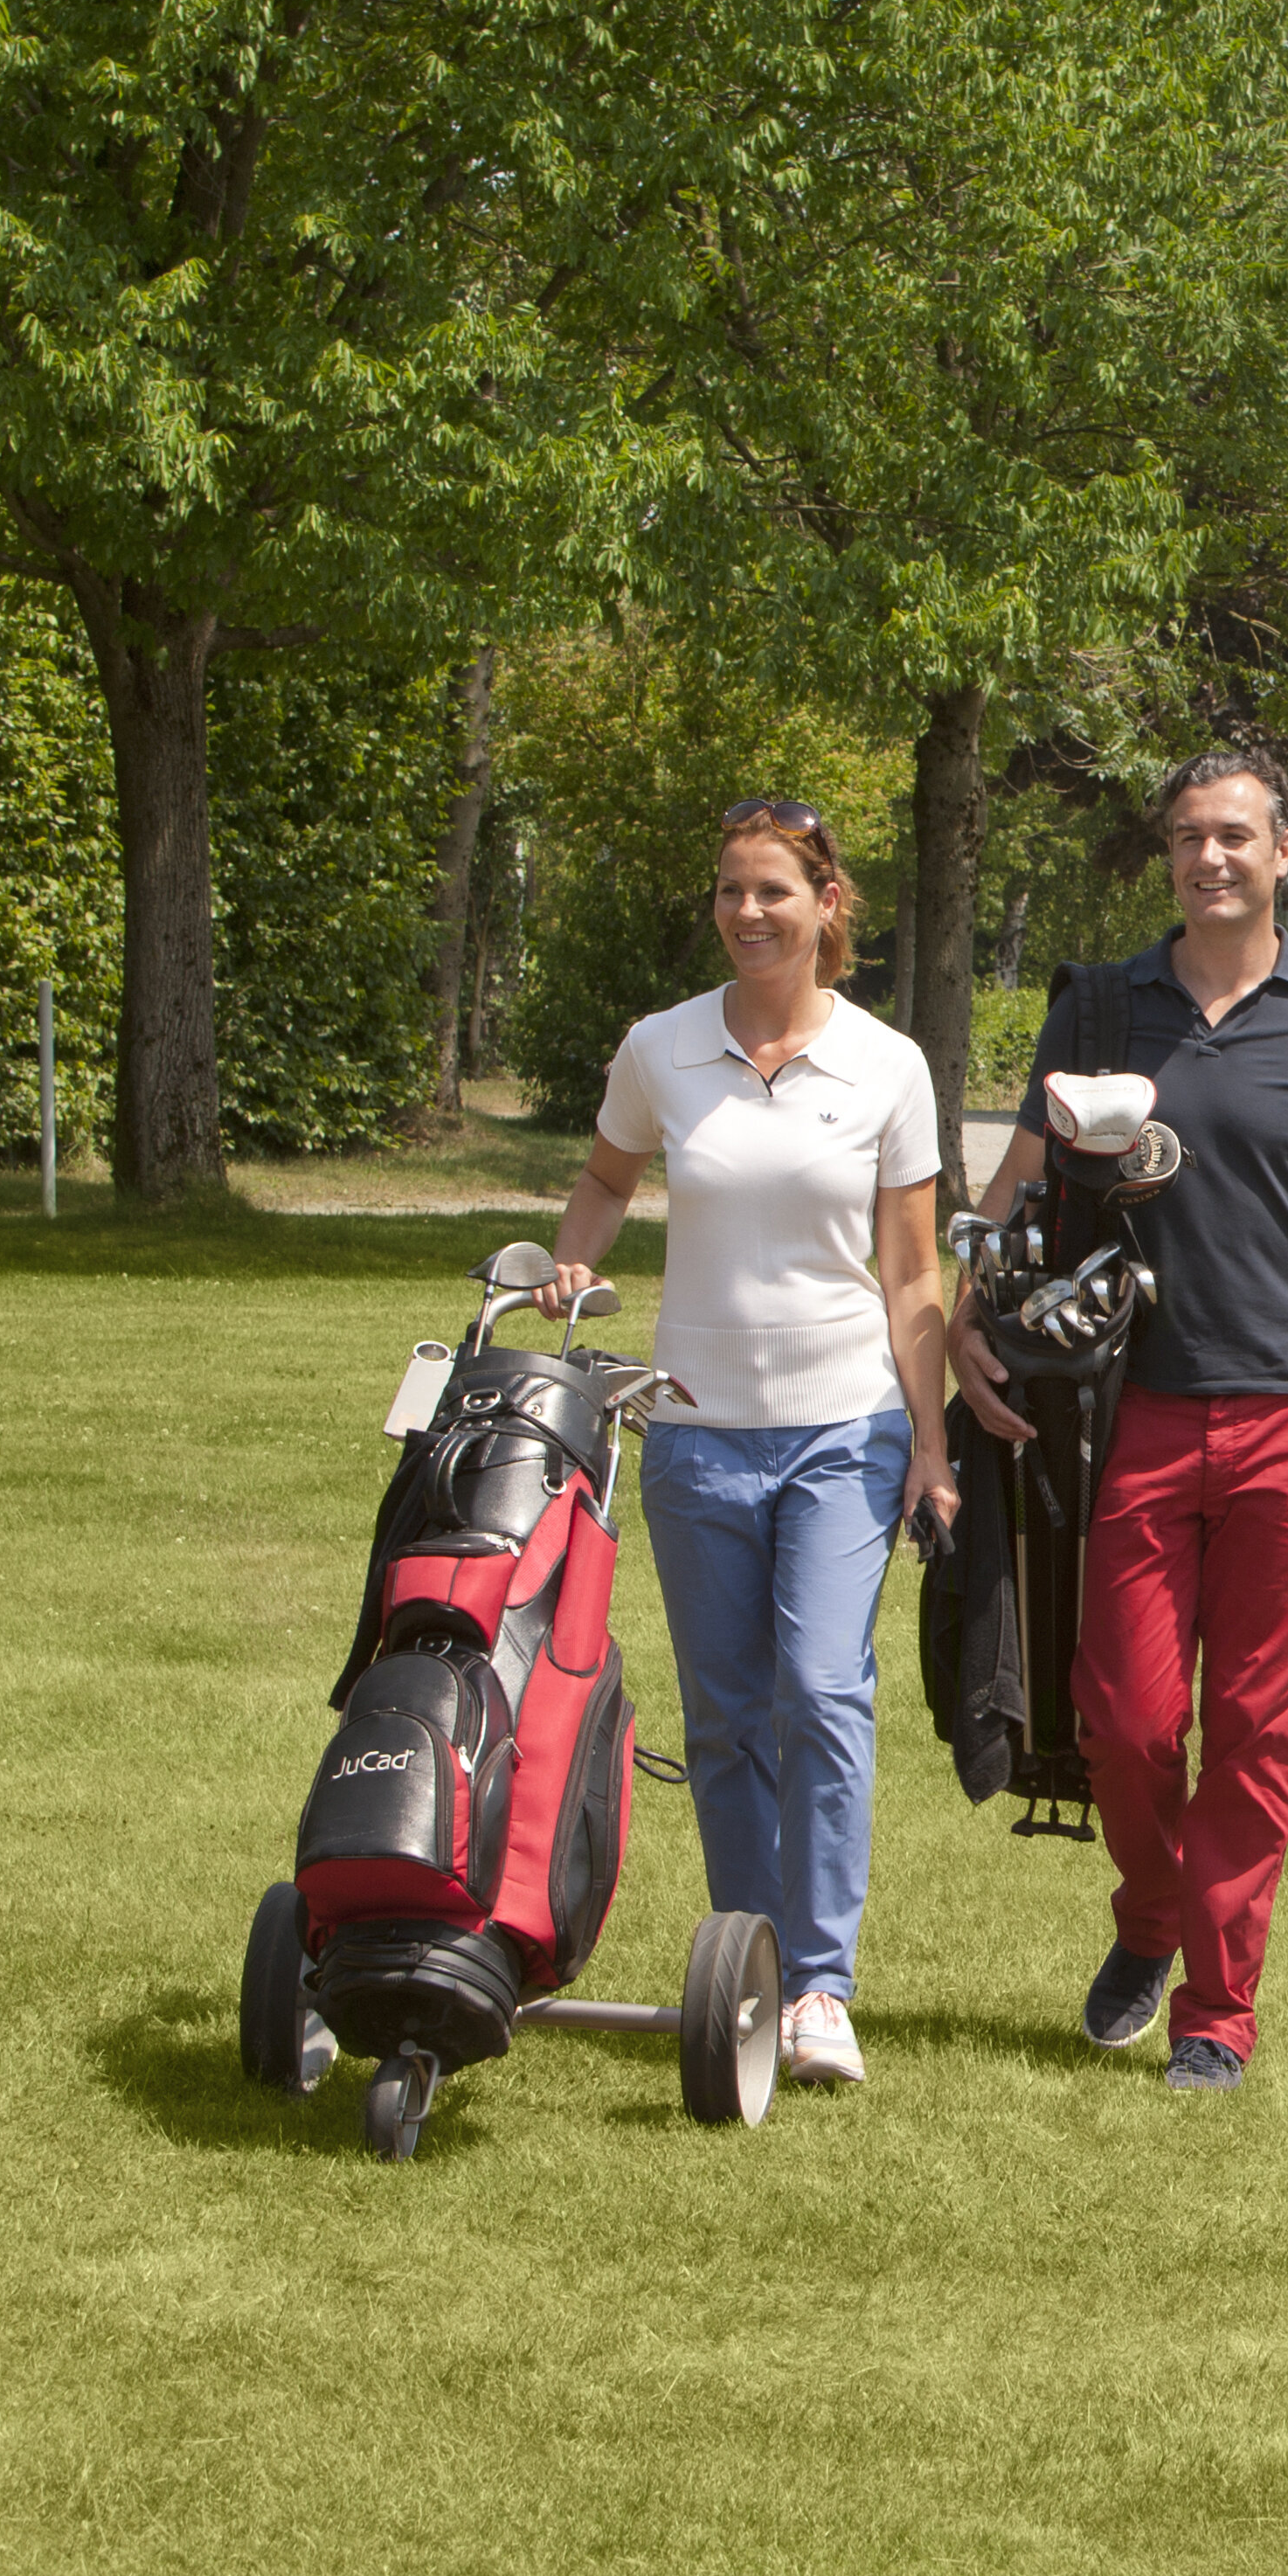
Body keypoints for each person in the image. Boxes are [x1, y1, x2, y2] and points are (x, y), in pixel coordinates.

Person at [961, 744, 1288, 2092]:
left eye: (1235, 834)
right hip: (1127, 1407)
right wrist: (967, 1321)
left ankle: (1216, 2008)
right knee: (1123, 1716)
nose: (1211, 857)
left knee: (1257, 1723)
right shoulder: (1100, 1008)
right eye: (1188, 836)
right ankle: (1150, 1907)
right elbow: (1015, 1184)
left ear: (1284, 851)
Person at [535, 797, 955, 2091]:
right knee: (723, 1719)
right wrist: (570, 1258)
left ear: (829, 903)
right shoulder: (662, 1049)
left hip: (843, 1427)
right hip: (697, 1431)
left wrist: (929, 1446)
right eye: (728, 890)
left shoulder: (888, 1065)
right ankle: (752, 1961)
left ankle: (822, 1985)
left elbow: (911, 1270)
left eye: (773, 890)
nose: (746, 913)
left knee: (822, 1689)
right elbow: (609, 1178)